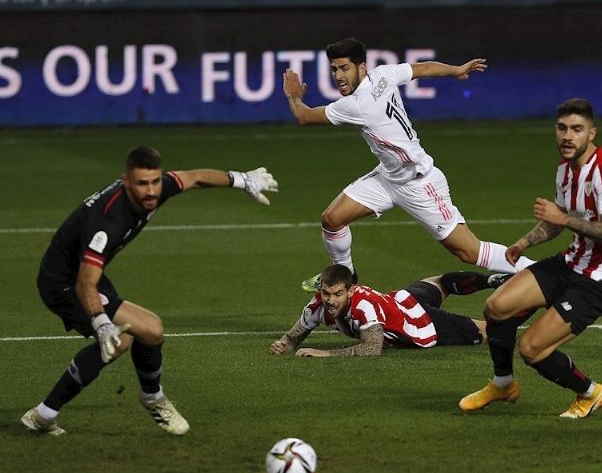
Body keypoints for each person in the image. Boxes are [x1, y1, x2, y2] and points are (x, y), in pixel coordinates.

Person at [23, 147, 278, 436]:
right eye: (142, 184)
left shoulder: (157, 189)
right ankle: (152, 398)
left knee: (139, 336)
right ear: (125, 182)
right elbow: (85, 284)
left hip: (83, 272)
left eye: (155, 181)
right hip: (64, 282)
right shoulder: (108, 222)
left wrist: (242, 179)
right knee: (140, 333)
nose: (151, 191)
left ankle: (43, 416)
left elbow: (194, 178)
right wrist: (100, 322)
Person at [282, 37, 535, 277]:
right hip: (389, 177)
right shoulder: (383, 74)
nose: (338, 76)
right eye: (334, 69)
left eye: (344, 68)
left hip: (420, 183)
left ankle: (538, 271)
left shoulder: (356, 105)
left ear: (361, 67)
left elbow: (303, 117)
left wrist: (294, 96)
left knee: (469, 252)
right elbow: (422, 69)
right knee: (332, 219)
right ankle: (345, 277)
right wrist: (455, 70)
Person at [459, 98, 602, 419]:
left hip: (600, 280)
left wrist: (563, 220)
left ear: (591, 133)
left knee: (532, 349)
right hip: (570, 263)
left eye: (577, 129)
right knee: (496, 307)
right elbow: (556, 218)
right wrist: (523, 243)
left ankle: (591, 393)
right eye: (563, 128)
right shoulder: (564, 171)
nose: (568, 136)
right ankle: (502, 384)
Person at [269, 265, 510, 357]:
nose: (330, 300)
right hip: (402, 299)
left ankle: (524, 302)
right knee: (441, 282)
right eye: (326, 293)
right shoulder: (318, 305)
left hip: (420, 322)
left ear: (350, 291)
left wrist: (325, 354)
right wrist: (284, 344)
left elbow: (372, 348)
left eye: (337, 294)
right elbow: (293, 337)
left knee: (491, 331)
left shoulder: (363, 306)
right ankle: (490, 281)